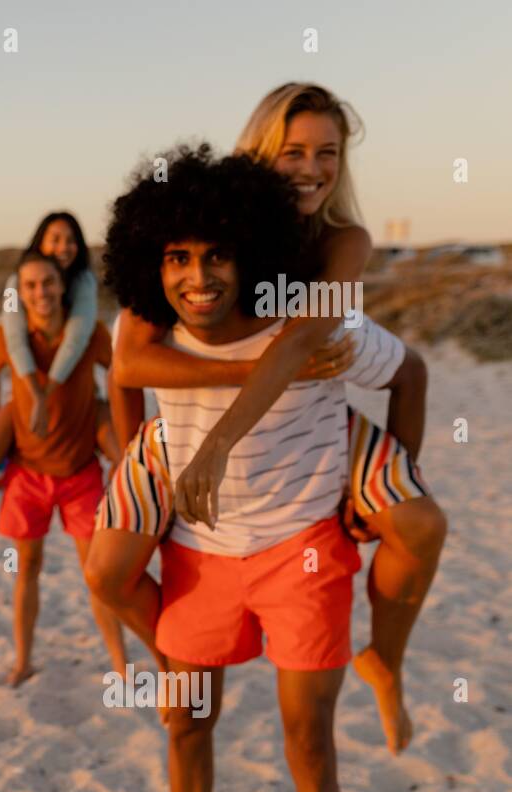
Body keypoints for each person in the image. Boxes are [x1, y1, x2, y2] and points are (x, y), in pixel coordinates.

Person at [88, 84, 445, 754]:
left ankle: (386, 660)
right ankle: (172, 653)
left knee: (419, 521)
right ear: (262, 151)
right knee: (107, 568)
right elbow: (131, 361)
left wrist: (382, 487)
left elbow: (304, 343)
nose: (312, 167)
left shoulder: (344, 240)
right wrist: (136, 451)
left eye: (328, 153)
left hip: (313, 403)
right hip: (206, 421)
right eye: (294, 151)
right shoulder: (211, 217)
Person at [0, 250, 141, 686]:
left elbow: (124, 373)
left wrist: (110, 420)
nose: (40, 292)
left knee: (96, 575)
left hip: (81, 470)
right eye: (30, 285)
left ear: (62, 284)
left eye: (48, 282)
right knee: (25, 570)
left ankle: (120, 663)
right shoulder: (7, 339)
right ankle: (23, 660)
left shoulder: (90, 333)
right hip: (27, 473)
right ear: (20, 291)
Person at [0, 212, 117, 504]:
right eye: (56, 239)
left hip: (78, 407)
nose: (64, 247)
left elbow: (80, 341)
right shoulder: (18, 285)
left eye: (71, 240)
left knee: (126, 458)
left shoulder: (84, 284)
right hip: (23, 400)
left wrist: (106, 409)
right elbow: (11, 343)